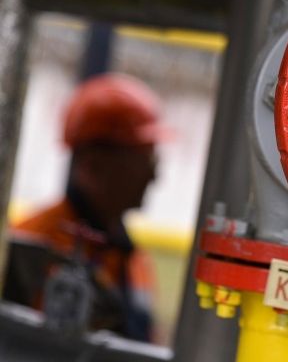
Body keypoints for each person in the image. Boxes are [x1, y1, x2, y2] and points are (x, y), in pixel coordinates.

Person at [6, 73, 170, 342]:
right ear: (94, 163)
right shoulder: (30, 247)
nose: (154, 176)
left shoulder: (134, 259)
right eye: (143, 159)